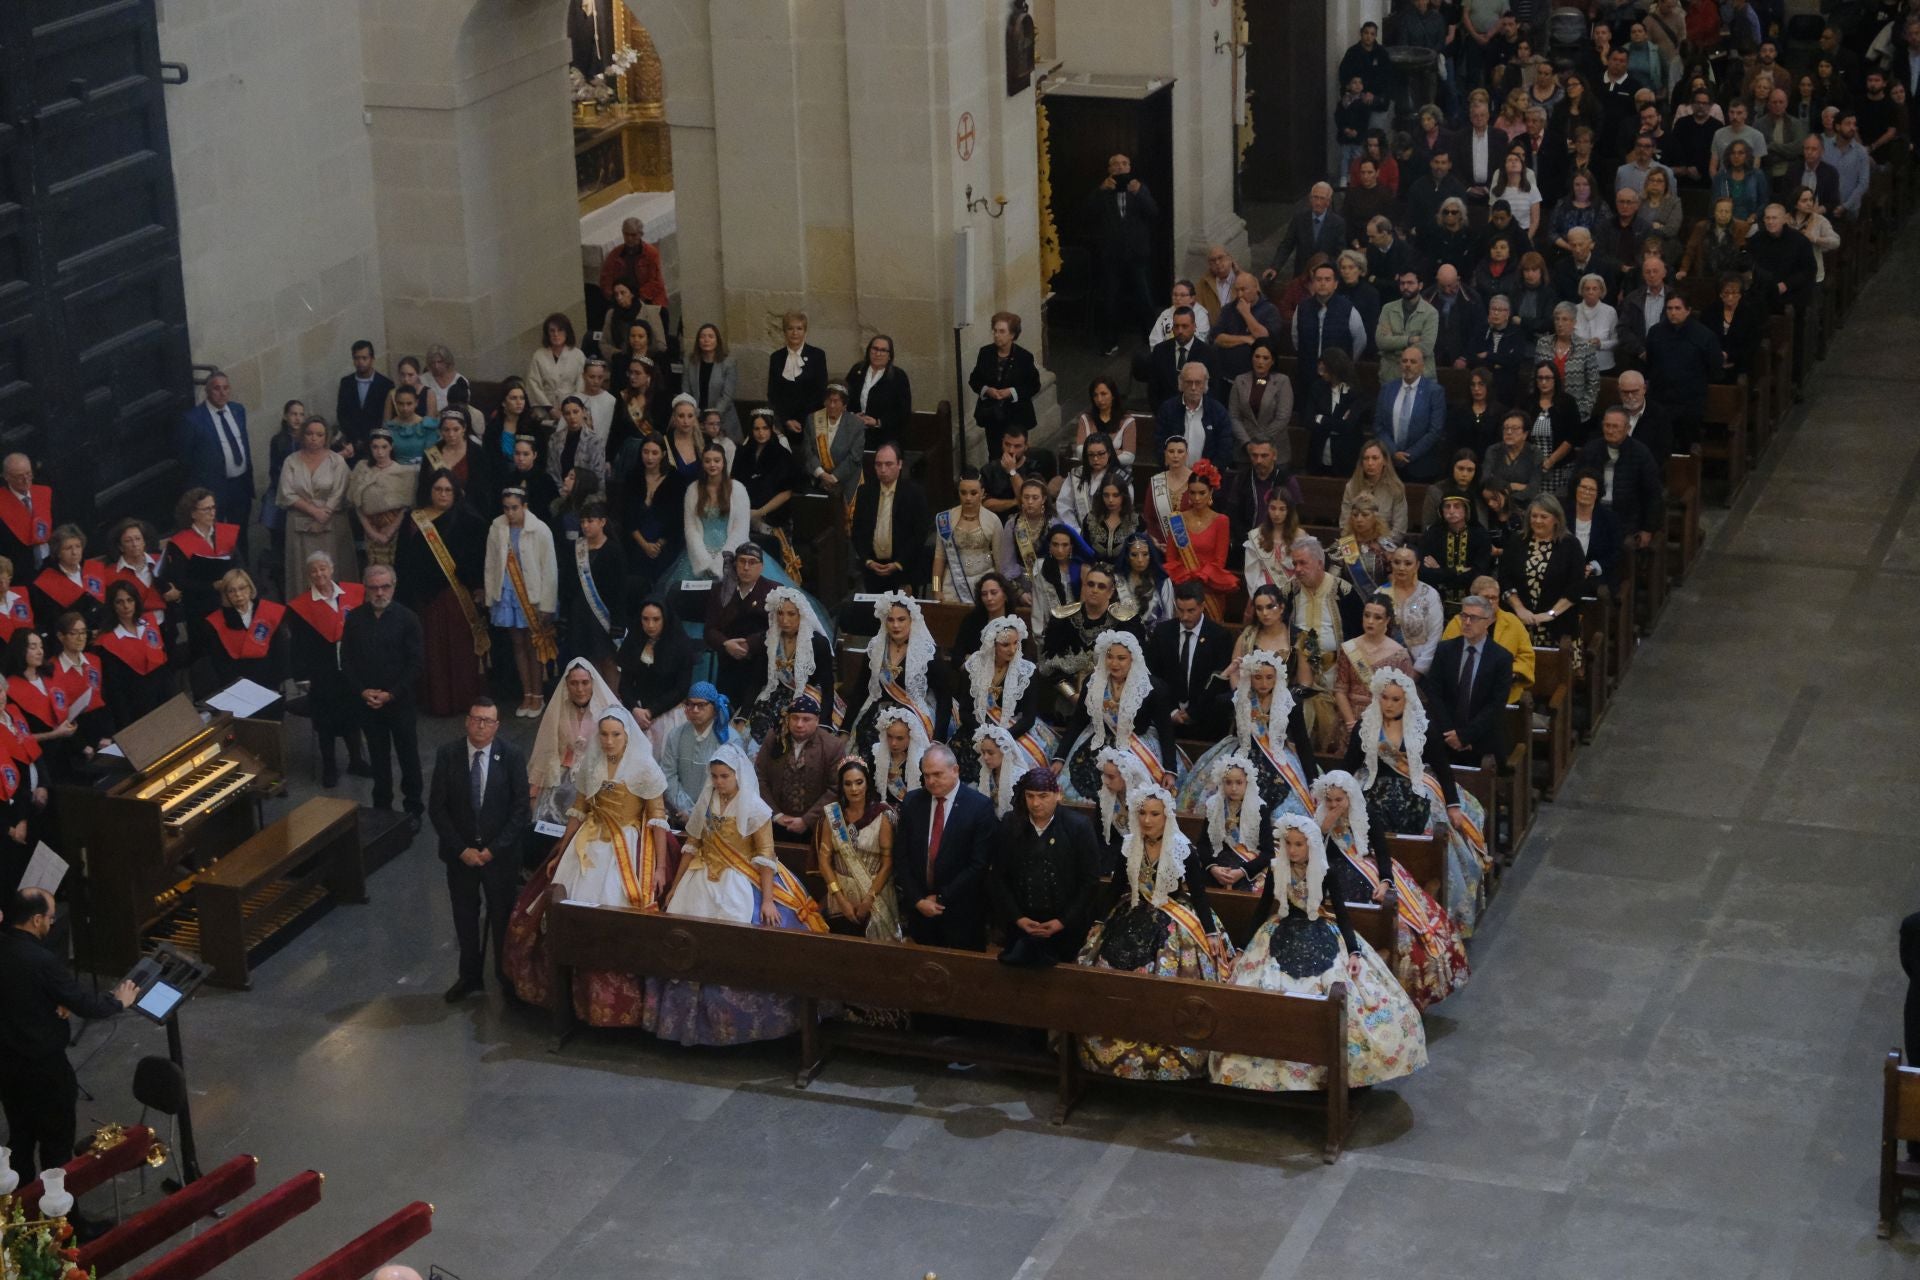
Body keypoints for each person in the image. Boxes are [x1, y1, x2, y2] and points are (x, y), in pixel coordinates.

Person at [1206, 811, 1416, 1094]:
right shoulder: (1277, 869)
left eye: (1298, 845)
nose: (1292, 850)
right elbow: (1262, 908)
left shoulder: (1324, 871)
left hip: (1320, 929)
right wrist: (1243, 949)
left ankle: (1331, 1067)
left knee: (1337, 985)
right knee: (1264, 986)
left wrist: (1354, 952)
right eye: (1288, 843)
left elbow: (1341, 913)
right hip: (1279, 933)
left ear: (1311, 846)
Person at [1073, 785, 1229, 1080]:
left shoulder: (1183, 849)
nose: (1147, 820)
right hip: (1131, 913)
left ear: (1166, 815)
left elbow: (1199, 895)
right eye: (1142, 813)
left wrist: (1210, 933)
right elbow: (1117, 886)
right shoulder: (1129, 845)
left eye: (1154, 814)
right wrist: (1100, 921)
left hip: (1175, 920)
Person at [0, 887, 136, 1181]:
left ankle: (20, 1211)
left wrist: (50, 1000)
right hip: (45, 1069)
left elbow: (18, 995)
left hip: (8, 1068)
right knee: (56, 1145)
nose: (52, 923)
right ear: (36, 920)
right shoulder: (41, 960)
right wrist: (118, 1001)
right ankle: (66, 1221)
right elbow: (87, 1003)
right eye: (50, 917)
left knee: (20, 1139)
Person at [1345, 668, 1491, 935]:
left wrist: (1453, 806)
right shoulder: (1365, 728)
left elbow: (1443, 768)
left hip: (1416, 793)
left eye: (1395, 699)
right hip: (1371, 792)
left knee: (1448, 838)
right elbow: (1348, 768)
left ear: (1406, 701)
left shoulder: (1423, 729)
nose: (1388, 704)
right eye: (1384, 698)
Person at [1315, 770, 1468, 1010]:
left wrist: (1385, 882)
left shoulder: (1367, 816)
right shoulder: (1317, 822)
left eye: (1339, 800)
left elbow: (1383, 854)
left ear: (1350, 798)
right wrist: (1322, 829)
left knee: (1406, 928)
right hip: (1337, 881)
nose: (1334, 805)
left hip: (1372, 874)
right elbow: (1315, 858)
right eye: (1330, 800)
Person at [429, 696, 531, 1001]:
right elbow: (438, 809)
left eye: (487, 721)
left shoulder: (511, 756)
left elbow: (520, 810)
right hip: (461, 858)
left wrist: (493, 850)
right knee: (465, 917)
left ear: (497, 726)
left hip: (499, 858)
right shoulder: (448, 755)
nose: (480, 725)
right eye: (475, 719)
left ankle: (505, 977)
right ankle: (470, 977)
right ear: (467, 721)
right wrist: (462, 850)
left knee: (501, 917)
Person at [1179, 646, 1316, 817]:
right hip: (1240, 755)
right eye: (1258, 677)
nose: (1264, 683)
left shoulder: (1289, 702)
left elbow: (1303, 743)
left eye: (1269, 677)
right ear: (1250, 678)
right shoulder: (1239, 698)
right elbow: (1207, 706)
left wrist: (1313, 782)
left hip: (1279, 759)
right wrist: (1226, 673)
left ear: (1277, 677)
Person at [988, 767, 1103, 967]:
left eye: (1043, 796)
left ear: (1057, 794)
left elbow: (1090, 881)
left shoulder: (1078, 826)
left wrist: (1063, 921)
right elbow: (999, 876)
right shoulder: (1010, 823)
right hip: (1021, 924)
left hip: (1066, 927)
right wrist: (1018, 918)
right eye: (1030, 796)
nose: (1035, 803)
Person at [396, 469, 488, 717]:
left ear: (456, 492)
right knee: (432, 650)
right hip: (425, 596)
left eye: (448, 490)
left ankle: (464, 700)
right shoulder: (415, 520)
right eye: (438, 489)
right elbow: (403, 559)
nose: (443, 494)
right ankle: (436, 701)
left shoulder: (469, 519)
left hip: (457, 596)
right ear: (429, 491)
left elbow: (478, 558)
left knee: (460, 650)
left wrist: (479, 587)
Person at [890, 742, 996, 949]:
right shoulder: (913, 801)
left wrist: (941, 897)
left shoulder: (979, 807)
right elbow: (901, 856)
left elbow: (978, 865)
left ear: (955, 770)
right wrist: (918, 899)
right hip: (920, 911)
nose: (931, 781)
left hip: (961, 912)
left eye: (937, 774)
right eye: (926, 775)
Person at [1053, 630, 1179, 801]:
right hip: (1095, 746)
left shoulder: (1152, 688)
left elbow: (1166, 730)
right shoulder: (1093, 682)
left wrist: (1170, 770)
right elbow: (1077, 722)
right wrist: (1060, 757)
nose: (1114, 663)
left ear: (1133, 659)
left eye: (1121, 658)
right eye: (1110, 657)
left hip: (1137, 745)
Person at [344, 564, 424, 822]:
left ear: (394, 586)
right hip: (368, 704)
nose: (380, 592)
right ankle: (382, 810)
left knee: (408, 757)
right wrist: (362, 691)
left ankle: (413, 808)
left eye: (385, 586)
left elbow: (416, 664)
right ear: (365, 589)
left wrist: (392, 693)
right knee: (378, 759)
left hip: (400, 703)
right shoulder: (354, 619)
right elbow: (347, 662)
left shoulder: (408, 618)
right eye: (374, 587)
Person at [285, 552, 369, 787]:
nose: (319, 574)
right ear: (308, 575)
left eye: (323, 568)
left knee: (353, 715)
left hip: (351, 668)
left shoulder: (353, 594)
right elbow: (297, 644)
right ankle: (329, 767)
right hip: (321, 671)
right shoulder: (300, 607)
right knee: (325, 722)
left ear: (332, 569)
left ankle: (356, 760)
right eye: (314, 570)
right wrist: (301, 677)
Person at [1281, 535, 1365, 753]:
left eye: (1303, 563)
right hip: (1299, 675)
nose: (1297, 569)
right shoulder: (1289, 592)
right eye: (1295, 564)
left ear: (1319, 563)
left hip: (1338, 673)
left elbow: (1359, 637)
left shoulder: (1343, 592)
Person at [842, 592, 950, 752]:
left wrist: (939, 739)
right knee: (867, 742)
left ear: (912, 620)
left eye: (901, 619)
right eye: (890, 620)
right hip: (878, 714)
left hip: (914, 715)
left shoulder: (927, 652)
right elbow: (860, 691)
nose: (895, 625)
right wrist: (845, 729)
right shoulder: (875, 649)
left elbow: (944, 696)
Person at [954, 615, 1052, 780]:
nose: (1012, 650)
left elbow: (1028, 718)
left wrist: (1003, 738)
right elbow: (965, 712)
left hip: (1015, 731)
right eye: (1005, 645)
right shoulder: (974, 667)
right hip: (977, 730)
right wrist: (984, 735)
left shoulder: (1027, 671)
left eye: (1016, 643)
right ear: (992, 644)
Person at [814, 756, 900, 941]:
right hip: (840, 894)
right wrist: (840, 898)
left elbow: (888, 863)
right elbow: (824, 860)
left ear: (867, 783)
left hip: (876, 895)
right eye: (848, 784)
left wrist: (869, 899)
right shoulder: (833, 816)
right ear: (842, 786)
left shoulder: (881, 815)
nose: (854, 789)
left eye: (859, 782)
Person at [1426, 592, 1515, 767]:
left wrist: (1464, 736)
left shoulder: (1501, 658)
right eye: (1464, 616)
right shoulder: (1445, 650)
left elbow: (1496, 705)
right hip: (1445, 735)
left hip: (1481, 739)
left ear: (1488, 621)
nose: (1466, 622)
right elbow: (1434, 693)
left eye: (1473, 618)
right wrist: (1449, 733)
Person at [175, 371, 254, 559]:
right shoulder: (193, 419)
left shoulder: (237, 410)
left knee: (240, 532)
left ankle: (244, 572)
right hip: (213, 488)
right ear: (208, 391)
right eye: (216, 389)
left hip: (239, 484)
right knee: (215, 535)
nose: (222, 393)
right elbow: (185, 457)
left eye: (226, 388)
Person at [740, 586, 834, 745]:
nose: (784, 620)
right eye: (780, 613)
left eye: (791, 614)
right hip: (774, 697)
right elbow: (757, 681)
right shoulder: (770, 641)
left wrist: (825, 721)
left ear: (802, 616)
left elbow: (827, 685)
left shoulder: (818, 643)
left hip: (807, 698)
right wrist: (743, 715)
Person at [1086, 153, 1160, 354]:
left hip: (1137, 255)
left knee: (1145, 298)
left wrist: (1140, 194)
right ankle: (1110, 342)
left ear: (1130, 167)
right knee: (1110, 300)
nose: (1120, 167)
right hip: (1111, 257)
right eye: (1115, 164)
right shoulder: (1103, 190)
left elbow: (1153, 212)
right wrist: (1101, 191)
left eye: (1124, 164)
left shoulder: (1139, 188)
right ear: (1109, 169)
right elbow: (1088, 212)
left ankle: (1153, 341)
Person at [1144, 580, 1233, 742]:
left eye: (1191, 610)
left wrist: (1194, 712)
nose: (1185, 616)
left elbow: (1219, 682)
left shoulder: (1220, 636)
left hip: (1206, 721)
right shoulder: (1163, 632)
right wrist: (1171, 711)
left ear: (1202, 606)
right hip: (1167, 719)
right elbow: (1153, 674)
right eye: (1180, 610)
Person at [277, 415, 357, 588]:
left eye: (319, 434)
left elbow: (340, 491)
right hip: (299, 524)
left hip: (332, 523)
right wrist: (314, 512)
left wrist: (325, 513)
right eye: (309, 433)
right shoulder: (291, 461)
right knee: (303, 573)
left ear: (326, 437)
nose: (314, 438)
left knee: (333, 570)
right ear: (302, 435)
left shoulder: (337, 461)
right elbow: (286, 493)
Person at [1500, 495, 1586, 652]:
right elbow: (1504, 579)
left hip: (1558, 626)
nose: (1537, 521)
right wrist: (1519, 609)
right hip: (1519, 622)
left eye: (1543, 517)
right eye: (1534, 516)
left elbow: (1575, 588)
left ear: (1556, 519)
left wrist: (1550, 614)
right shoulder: (1516, 541)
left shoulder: (1570, 545)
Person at [1577, 407, 1665, 554]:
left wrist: (1648, 529)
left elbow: (1653, 494)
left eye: (1615, 427)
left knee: (1624, 546)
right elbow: (1575, 484)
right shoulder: (1591, 450)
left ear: (1627, 428)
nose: (1610, 431)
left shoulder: (1641, 453)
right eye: (1607, 425)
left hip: (1627, 521)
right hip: (1592, 515)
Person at [1332, 596, 1415, 750]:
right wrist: (1351, 724)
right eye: (1367, 615)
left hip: (1384, 723)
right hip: (1351, 719)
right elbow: (1340, 690)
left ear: (1387, 620)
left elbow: (1407, 698)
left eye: (1377, 617)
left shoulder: (1399, 655)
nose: (1370, 621)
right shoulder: (1349, 649)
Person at [756, 694, 847, 834]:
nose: (799, 724)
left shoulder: (832, 746)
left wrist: (807, 820)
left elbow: (836, 788)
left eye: (806, 719)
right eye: (795, 718)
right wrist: (776, 814)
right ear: (788, 719)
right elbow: (759, 778)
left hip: (816, 826)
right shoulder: (774, 738)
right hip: (774, 821)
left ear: (817, 720)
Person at [850, 442, 931, 597]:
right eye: (878, 465)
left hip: (903, 569)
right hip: (873, 569)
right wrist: (868, 561)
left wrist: (899, 563)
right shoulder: (865, 492)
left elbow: (920, 533)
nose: (883, 470)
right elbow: (857, 531)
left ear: (900, 464)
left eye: (888, 464)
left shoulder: (914, 493)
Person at [702, 541, 775, 710]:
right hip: (727, 660)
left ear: (761, 566)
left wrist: (750, 644)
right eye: (742, 561)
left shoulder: (773, 591)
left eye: (752, 562)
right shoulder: (721, 590)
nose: (746, 567)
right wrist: (725, 644)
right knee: (725, 709)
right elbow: (709, 630)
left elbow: (777, 629)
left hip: (759, 662)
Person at [560, 496, 626, 683]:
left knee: (608, 660)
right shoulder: (576, 548)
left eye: (590, 521)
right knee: (588, 661)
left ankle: (613, 703)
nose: (585, 526)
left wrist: (617, 622)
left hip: (603, 615)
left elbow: (619, 590)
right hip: (580, 614)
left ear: (603, 522)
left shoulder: (614, 550)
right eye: (582, 521)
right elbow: (567, 583)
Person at [201, 569, 288, 703]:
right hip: (237, 687)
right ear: (226, 595)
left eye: (242, 588)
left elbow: (280, 651)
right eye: (231, 591)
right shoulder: (216, 622)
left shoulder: (268, 611)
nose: (238, 594)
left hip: (270, 682)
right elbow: (219, 662)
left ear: (250, 588)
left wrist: (277, 683)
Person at [617, 599, 694, 750]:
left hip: (668, 712)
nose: (650, 625)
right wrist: (634, 709)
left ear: (665, 618)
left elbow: (681, 689)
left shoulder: (680, 645)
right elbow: (624, 684)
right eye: (645, 619)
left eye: (656, 619)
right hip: (637, 711)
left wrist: (651, 712)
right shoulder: (634, 641)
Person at [94, 580, 171, 730]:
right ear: (112, 606)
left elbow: (163, 663)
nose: (126, 606)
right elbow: (115, 691)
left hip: (162, 695)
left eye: (130, 600)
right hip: (134, 707)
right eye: (119, 602)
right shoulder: (106, 642)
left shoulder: (149, 624)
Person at [1160, 463, 1235, 615]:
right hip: (1182, 589)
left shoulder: (1221, 520)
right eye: (1192, 493)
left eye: (1202, 493)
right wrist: (1186, 579)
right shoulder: (1177, 520)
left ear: (1211, 492)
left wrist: (1201, 577)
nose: (1197, 498)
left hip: (1210, 589)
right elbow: (1171, 558)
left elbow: (1220, 561)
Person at [968, 311, 1042, 457]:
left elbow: (1034, 385)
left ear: (1012, 335)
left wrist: (1012, 392)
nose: (996, 335)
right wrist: (987, 390)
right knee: (995, 453)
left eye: (1002, 331)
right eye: (995, 331)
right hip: (992, 416)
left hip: (1016, 416)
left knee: (1015, 455)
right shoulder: (985, 353)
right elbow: (974, 380)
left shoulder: (1024, 357)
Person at [1372, 346, 1449, 483]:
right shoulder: (1387, 389)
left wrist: (1409, 455)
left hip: (1421, 467)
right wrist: (1393, 452)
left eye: (1413, 362)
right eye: (1404, 361)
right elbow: (1379, 426)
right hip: (1390, 464)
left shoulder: (1434, 392)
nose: (1408, 365)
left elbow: (1435, 431)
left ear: (1422, 366)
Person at [348, 430, 420, 568]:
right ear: (370, 447)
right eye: (375, 447)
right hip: (370, 527)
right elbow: (356, 502)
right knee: (374, 568)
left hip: (396, 529)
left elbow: (406, 505)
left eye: (384, 447)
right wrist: (370, 531)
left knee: (397, 566)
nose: (380, 452)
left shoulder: (403, 472)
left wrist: (391, 529)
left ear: (391, 447)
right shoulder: (361, 469)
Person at [932, 471, 1004, 605]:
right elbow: (939, 558)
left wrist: (1001, 589)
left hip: (985, 583)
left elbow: (999, 561)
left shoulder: (993, 521)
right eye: (963, 493)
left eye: (973, 493)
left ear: (982, 493)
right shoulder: (945, 519)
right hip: (951, 584)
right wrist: (936, 589)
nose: (968, 498)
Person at [660, 682, 728, 822]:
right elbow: (668, 774)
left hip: (716, 819)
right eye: (690, 704)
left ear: (714, 708)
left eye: (701, 705)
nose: (695, 710)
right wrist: (685, 808)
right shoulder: (675, 735)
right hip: (680, 815)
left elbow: (730, 784)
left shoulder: (729, 740)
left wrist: (699, 814)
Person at [30, 525, 106, 640]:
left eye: (78, 546)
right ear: (58, 552)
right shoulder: (46, 581)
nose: (74, 552)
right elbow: (52, 621)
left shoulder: (94, 570)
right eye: (68, 548)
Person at [1378, 544, 1445, 673]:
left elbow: (1435, 637)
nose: (1401, 568)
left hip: (1421, 668)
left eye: (1408, 563)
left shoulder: (1430, 595)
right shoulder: (1380, 594)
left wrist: (1418, 671)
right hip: (1385, 667)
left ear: (1417, 566)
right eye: (1397, 562)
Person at [1305, 349, 1368, 476]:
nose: (1322, 372)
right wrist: (1337, 423)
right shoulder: (1317, 388)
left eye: (1325, 368)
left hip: (1346, 455)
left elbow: (1348, 426)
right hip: (1319, 453)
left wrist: (1322, 419)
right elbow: (1308, 420)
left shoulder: (1354, 392)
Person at [845, 333, 914, 449]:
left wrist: (877, 422)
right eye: (875, 349)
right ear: (869, 351)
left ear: (890, 355)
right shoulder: (857, 370)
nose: (878, 353)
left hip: (885, 437)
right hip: (855, 433)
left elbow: (903, 411)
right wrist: (851, 416)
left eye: (883, 350)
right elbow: (844, 398)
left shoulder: (898, 377)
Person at [335, 340, 395, 459]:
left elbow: (386, 416)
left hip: (376, 442)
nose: (360, 362)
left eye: (364, 358)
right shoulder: (346, 383)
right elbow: (342, 413)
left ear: (372, 359)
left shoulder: (386, 384)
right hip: (352, 442)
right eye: (357, 358)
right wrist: (355, 438)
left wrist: (369, 438)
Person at [1243, 489, 1302, 594]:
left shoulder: (1300, 536)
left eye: (1282, 509)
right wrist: (1260, 595)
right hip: (1265, 593)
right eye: (1273, 508)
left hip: (1294, 595)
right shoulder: (1257, 536)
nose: (1276, 514)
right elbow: (1252, 573)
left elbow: (1304, 569)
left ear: (1289, 511)